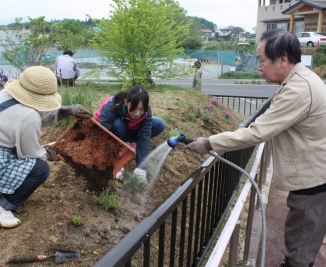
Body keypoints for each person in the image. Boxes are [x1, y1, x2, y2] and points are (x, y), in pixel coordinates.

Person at [185, 29, 326, 267]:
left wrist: (209, 143)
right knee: (300, 249)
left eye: (262, 60)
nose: (259, 67)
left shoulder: (298, 89)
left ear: (282, 59)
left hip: (311, 185)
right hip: (312, 180)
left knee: (298, 257)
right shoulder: (299, 80)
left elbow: (257, 132)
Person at [0, 66, 92, 229]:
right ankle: (0, 207)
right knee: (39, 169)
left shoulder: (5, 95)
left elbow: (33, 114)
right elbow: (31, 154)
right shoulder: (28, 117)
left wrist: (66, 111)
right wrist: (51, 154)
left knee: (25, 159)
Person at [95, 85, 166, 179]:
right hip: (113, 131)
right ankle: (121, 146)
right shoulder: (113, 105)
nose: (137, 113)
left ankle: (130, 142)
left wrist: (141, 168)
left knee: (159, 123)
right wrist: (113, 160)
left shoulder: (146, 111)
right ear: (126, 102)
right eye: (134, 108)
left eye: (141, 109)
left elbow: (145, 135)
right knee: (118, 125)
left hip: (129, 129)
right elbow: (103, 130)